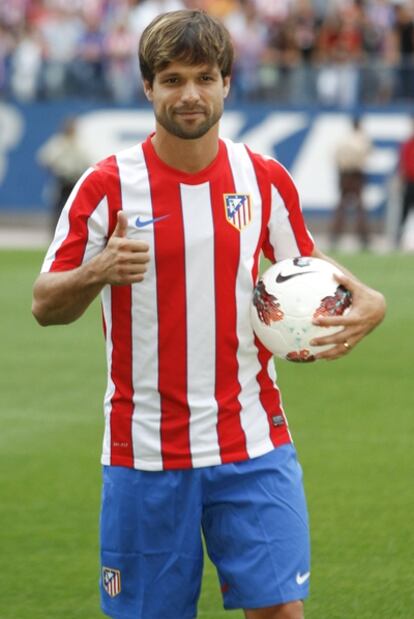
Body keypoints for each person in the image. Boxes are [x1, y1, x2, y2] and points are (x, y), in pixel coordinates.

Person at [32, 10, 386, 619]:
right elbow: (45, 303)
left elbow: (309, 265)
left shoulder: (264, 178)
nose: (189, 94)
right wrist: (99, 270)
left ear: (226, 81)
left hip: (253, 445)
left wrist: (370, 298)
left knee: (280, 612)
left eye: (203, 76)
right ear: (147, 88)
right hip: (144, 455)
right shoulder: (107, 186)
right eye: (171, 79)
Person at [36, 116, 91, 232]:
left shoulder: (79, 143)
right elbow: (44, 159)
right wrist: (55, 168)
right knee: (59, 207)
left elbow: (87, 161)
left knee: (76, 207)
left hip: (76, 179)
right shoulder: (58, 143)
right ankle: (56, 232)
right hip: (62, 180)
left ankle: (73, 231)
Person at [331, 116, 372, 249]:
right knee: (360, 208)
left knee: (341, 207)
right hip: (356, 175)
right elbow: (366, 156)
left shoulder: (343, 140)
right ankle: (363, 237)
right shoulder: (361, 140)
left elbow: (335, 156)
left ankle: (335, 235)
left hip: (344, 174)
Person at [398, 117, 414, 246]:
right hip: (410, 182)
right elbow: (403, 164)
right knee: (404, 211)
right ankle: (399, 237)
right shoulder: (408, 144)